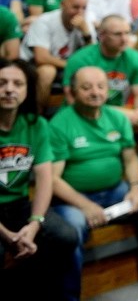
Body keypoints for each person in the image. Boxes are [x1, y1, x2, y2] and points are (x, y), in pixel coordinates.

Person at [50, 66, 138, 291]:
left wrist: (136, 188)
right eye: (86, 87)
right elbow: (52, 179)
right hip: (74, 198)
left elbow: (130, 159)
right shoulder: (60, 124)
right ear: (72, 91)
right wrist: (85, 205)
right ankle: (69, 294)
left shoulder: (117, 118)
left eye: (101, 86)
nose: (95, 92)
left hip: (114, 190)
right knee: (73, 227)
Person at [0, 59, 79, 300]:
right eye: (2, 83)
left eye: (18, 83)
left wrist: (34, 223)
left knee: (66, 236)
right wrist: (7, 235)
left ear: (27, 90)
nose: (10, 89)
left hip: (19, 204)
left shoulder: (37, 125)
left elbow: (45, 178)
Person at [63, 15, 138, 131]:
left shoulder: (135, 58)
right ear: (101, 36)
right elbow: (73, 100)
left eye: (127, 33)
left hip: (119, 115)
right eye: (117, 34)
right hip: (81, 117)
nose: (124, 39)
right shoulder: (80, 59)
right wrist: (120, 114)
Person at [20, 0, 93, 113]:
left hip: (63, 66)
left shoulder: (85, 24)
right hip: (31, 66)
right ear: (62, 5)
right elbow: (41, 58)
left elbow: (92, 57)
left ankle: (80, 117)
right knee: (48, 71)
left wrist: (86, 34)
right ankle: (37, 115)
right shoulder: (44, 21)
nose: (79, 13)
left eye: (84, 8)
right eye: (75, 7)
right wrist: (73, 65)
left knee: (91, 72)